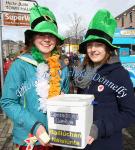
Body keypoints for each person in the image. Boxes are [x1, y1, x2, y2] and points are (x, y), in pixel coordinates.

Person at [1, 4, 65, 150]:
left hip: (58, 138)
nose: (47, 39)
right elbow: (8, 102)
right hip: (30, 140)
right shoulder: (20, 65)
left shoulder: (62, 66)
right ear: (32, 38)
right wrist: (35, 126)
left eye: (51, 35)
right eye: (41, 34)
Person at [74, 9, 135, 150]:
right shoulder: (83, 73)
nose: (93, 49)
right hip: (82, 142)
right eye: (89, 45)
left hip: (106, 143)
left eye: (99, 44)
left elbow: (129, 113)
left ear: (107, 48)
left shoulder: (120, 74)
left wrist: (100, 128)